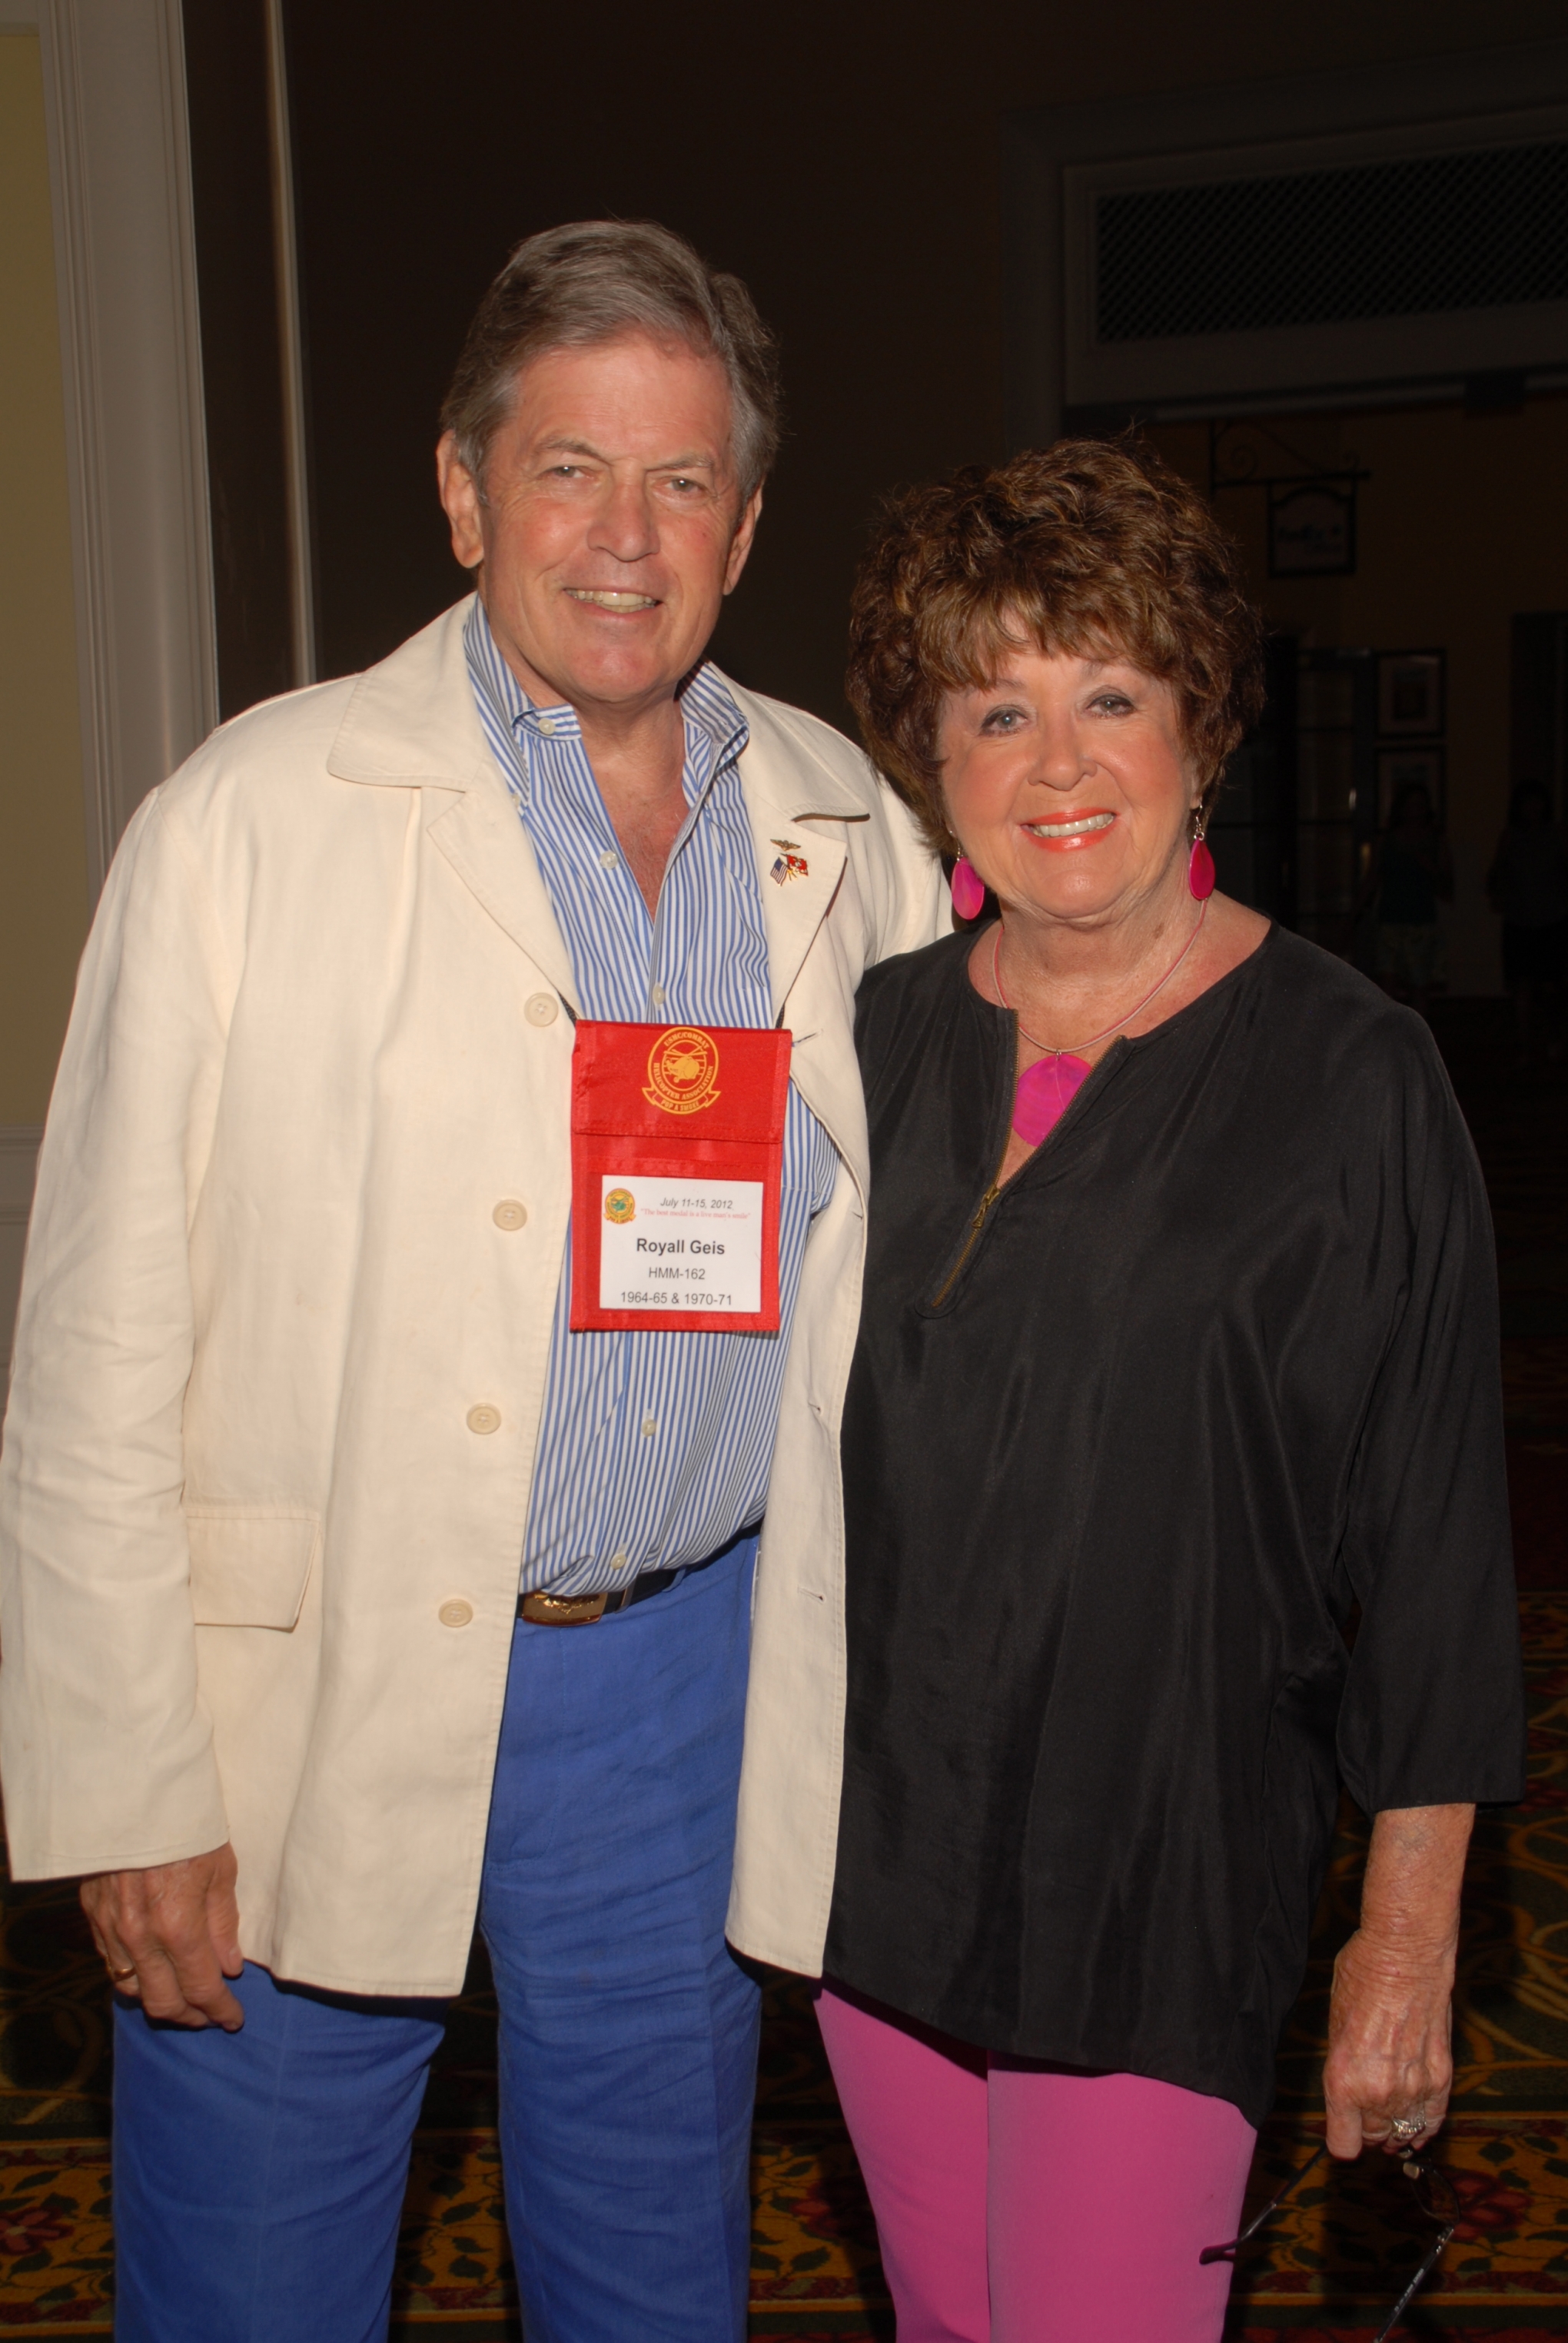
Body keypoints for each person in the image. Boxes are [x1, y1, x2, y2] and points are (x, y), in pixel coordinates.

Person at [0, 221, 942, 2343]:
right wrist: (126, 1786)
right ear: (460, 490)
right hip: (307, 1686)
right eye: (566, 469)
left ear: (746, 525)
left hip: (686, 1684)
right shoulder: (247, 817)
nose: (625, 537)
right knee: (252, 2284)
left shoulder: (846, 824)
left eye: (682, 480)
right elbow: (90, 1359)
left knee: (652, 2279)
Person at [724, 439, 1526, 2342]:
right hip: (886, 1865)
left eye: (1109, 696)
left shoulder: (1352, 1075)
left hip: (1163, 1867)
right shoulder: (867, 1041)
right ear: (935, 761)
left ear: (1202, 725)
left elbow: (1432, 1547)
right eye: (997, 710)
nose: (1058, 764)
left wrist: (1405, 1933)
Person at [1487, 779, 1568, 1063]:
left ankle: (1555, 1035)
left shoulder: (1557, 833)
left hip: (1551, 920)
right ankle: (1524, 1043)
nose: (1533, 807)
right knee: (1521, 984)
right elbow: (1497, 872)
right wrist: (1500, 892)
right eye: (1527, 802)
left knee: (1550, 987)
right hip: (1519, 920)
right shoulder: (1510, 836)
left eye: (1538, 801)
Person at [1361, 776, 1453, 1019]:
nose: (1416, 809)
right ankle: (1388, 1036)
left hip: (1421, 921)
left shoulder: (1436, 840)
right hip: (1390, 919)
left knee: (1419, 986)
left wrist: (1430, 867)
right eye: (1411, 804)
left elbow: (1448, 886)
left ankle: (1418, 1035)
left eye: (1420, 804)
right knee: (1386, 985)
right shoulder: (1387, 840)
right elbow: (1371, 879)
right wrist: (1352, 918)